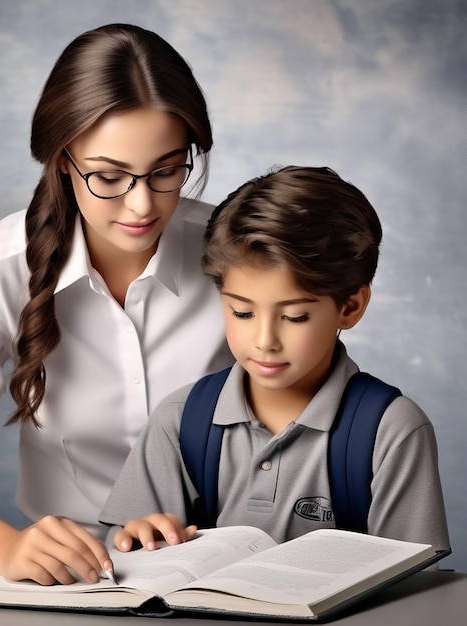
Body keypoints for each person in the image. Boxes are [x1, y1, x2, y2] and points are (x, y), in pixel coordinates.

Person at [0, 23, 233, 586]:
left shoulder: (233, 250)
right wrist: (6, 547)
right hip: (81, 580)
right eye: (109, 176)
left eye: (167, 170)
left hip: (233, 562)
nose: (142, 204)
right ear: (62, 161)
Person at [100, 166, 451, 558]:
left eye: (294, 316)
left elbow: (410, 595)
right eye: (242, 313)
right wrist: (137, 540)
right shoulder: (179, 420)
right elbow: (125, 566)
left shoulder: (391, 432)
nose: (264, 342)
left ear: (350, 307)